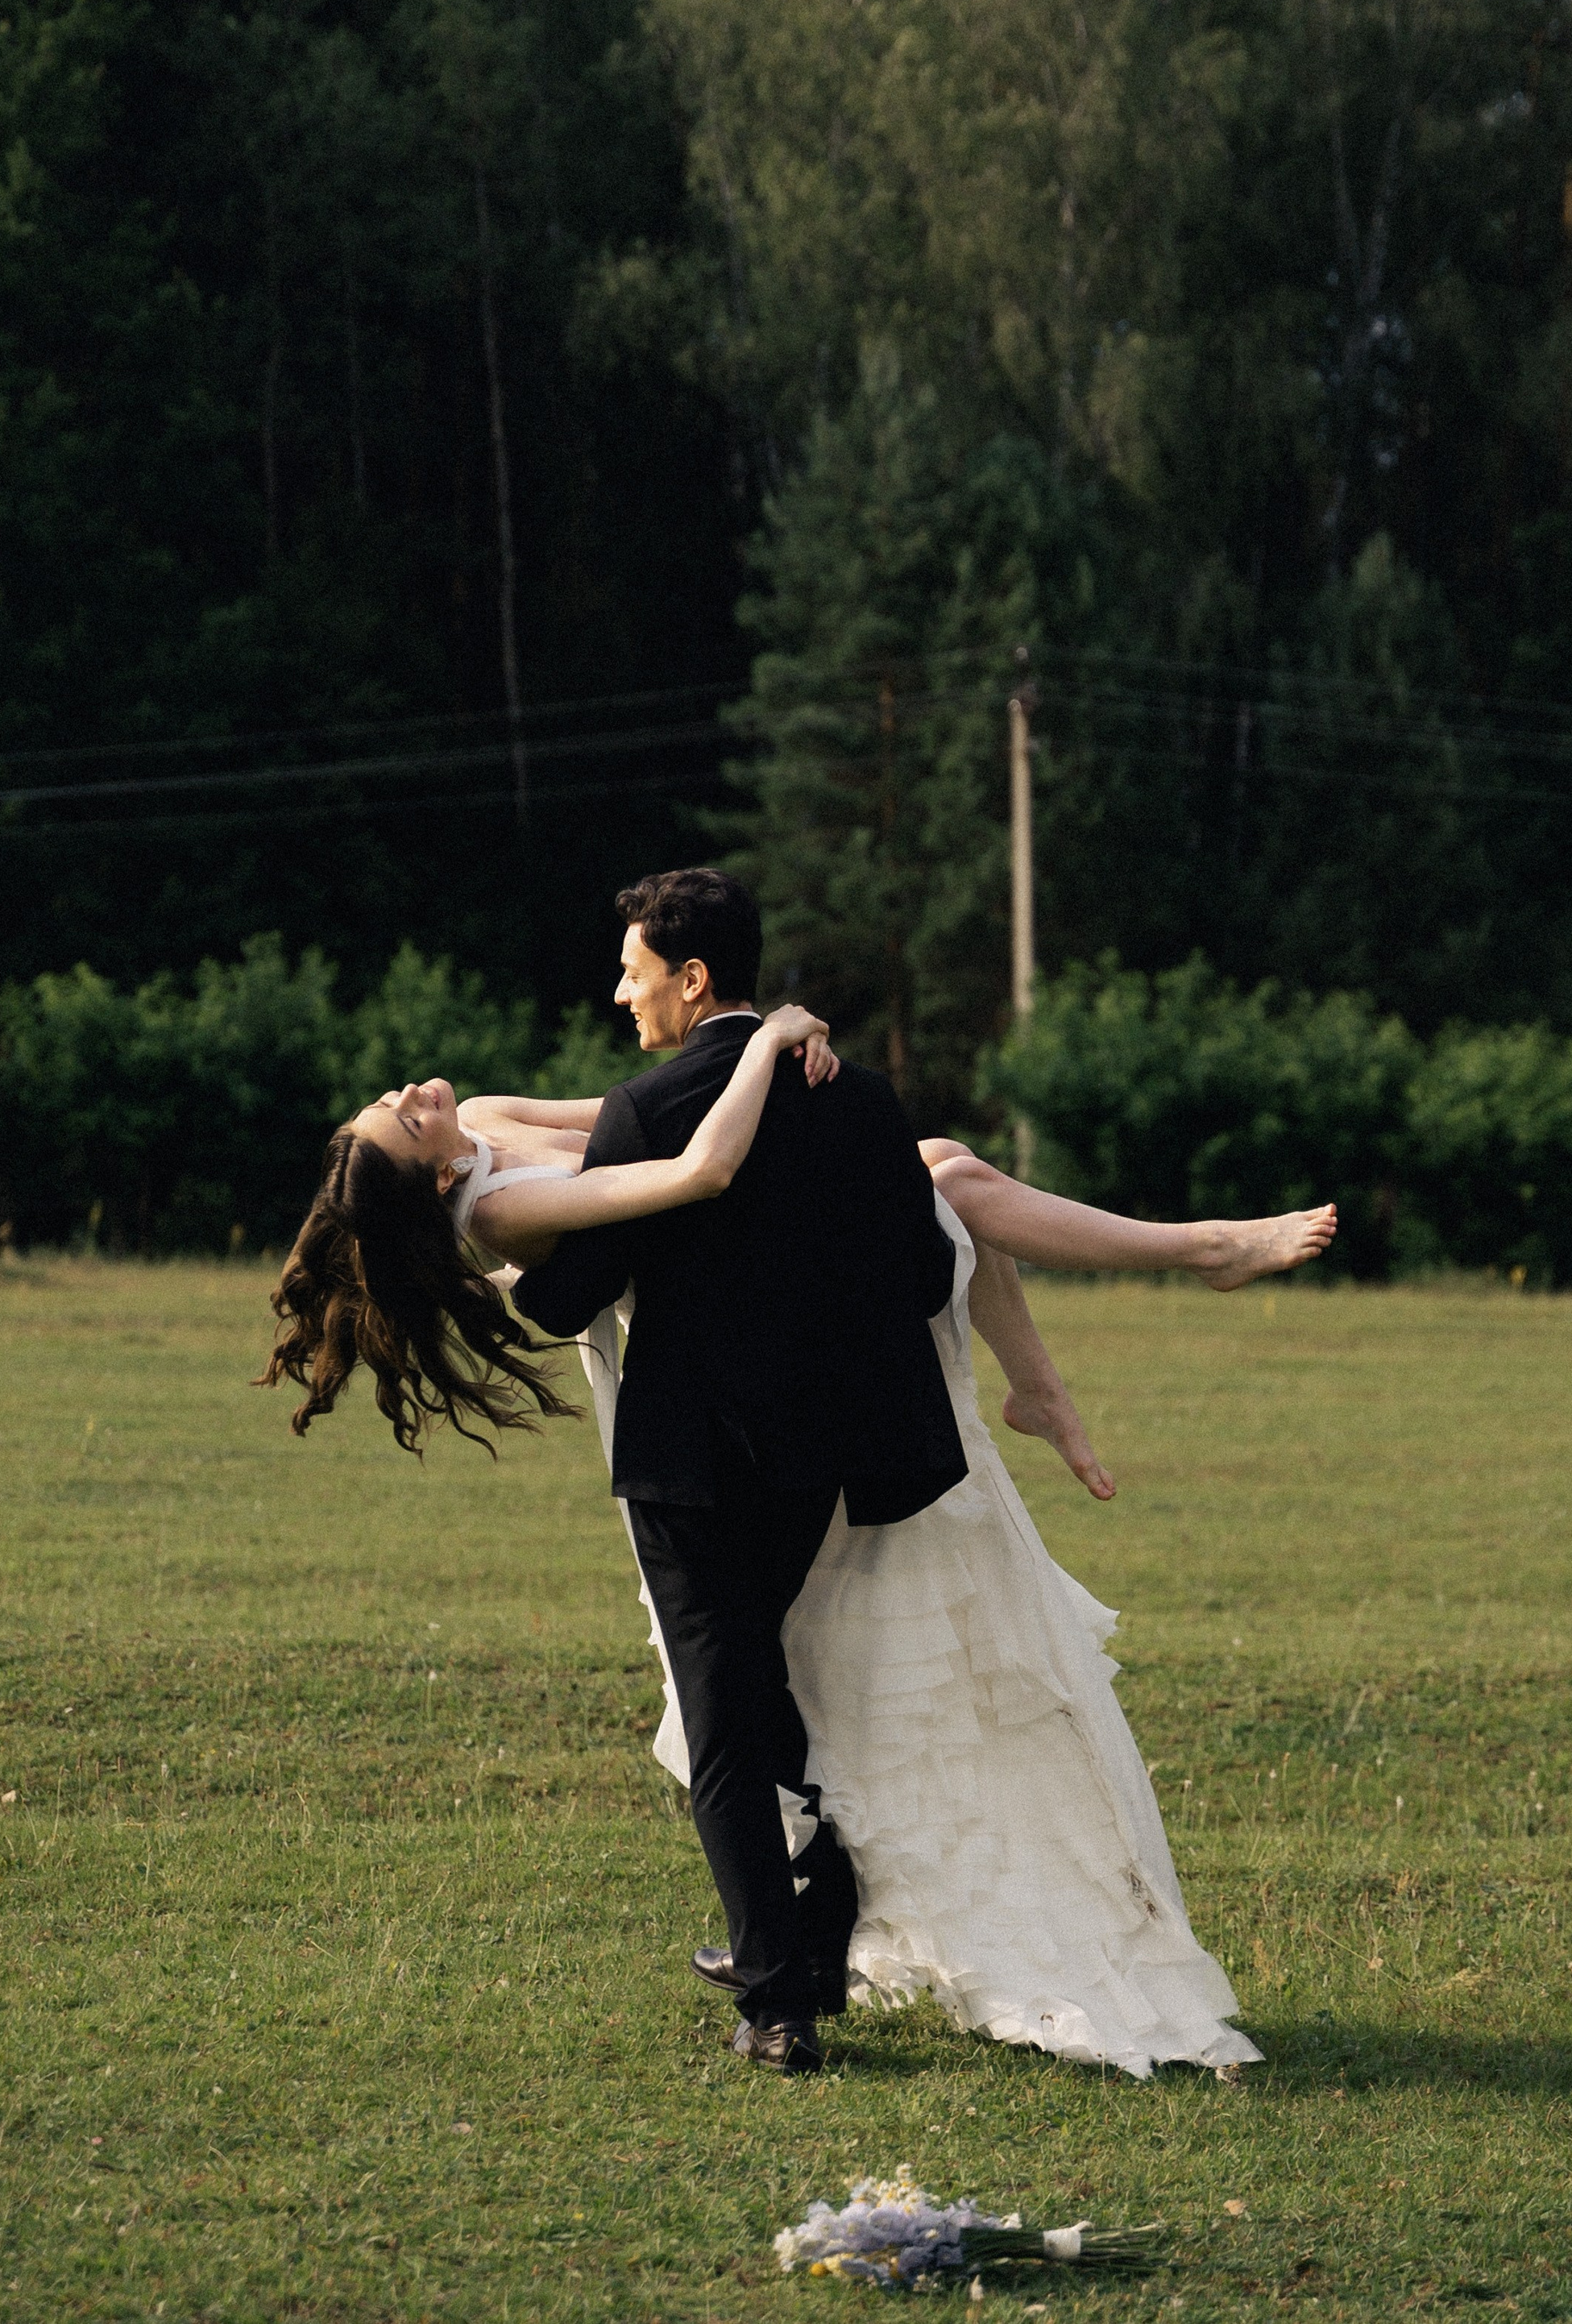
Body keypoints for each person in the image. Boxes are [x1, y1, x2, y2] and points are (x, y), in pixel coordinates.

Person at [264, 864, 1336, 2078]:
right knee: (742, 1693)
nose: (409, 1089)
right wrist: (771, 1036)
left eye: (633, 973)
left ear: (690, 976)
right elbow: (684, 1164)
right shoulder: (493, 1214)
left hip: (716, 1431)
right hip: (710, 1425)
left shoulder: (491, 1124)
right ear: (435, 1175)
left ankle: (790, 1963)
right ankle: (793, 1950)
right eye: (401, 1115)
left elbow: (628, 1109)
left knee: (748, 1694)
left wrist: (748, 1054)